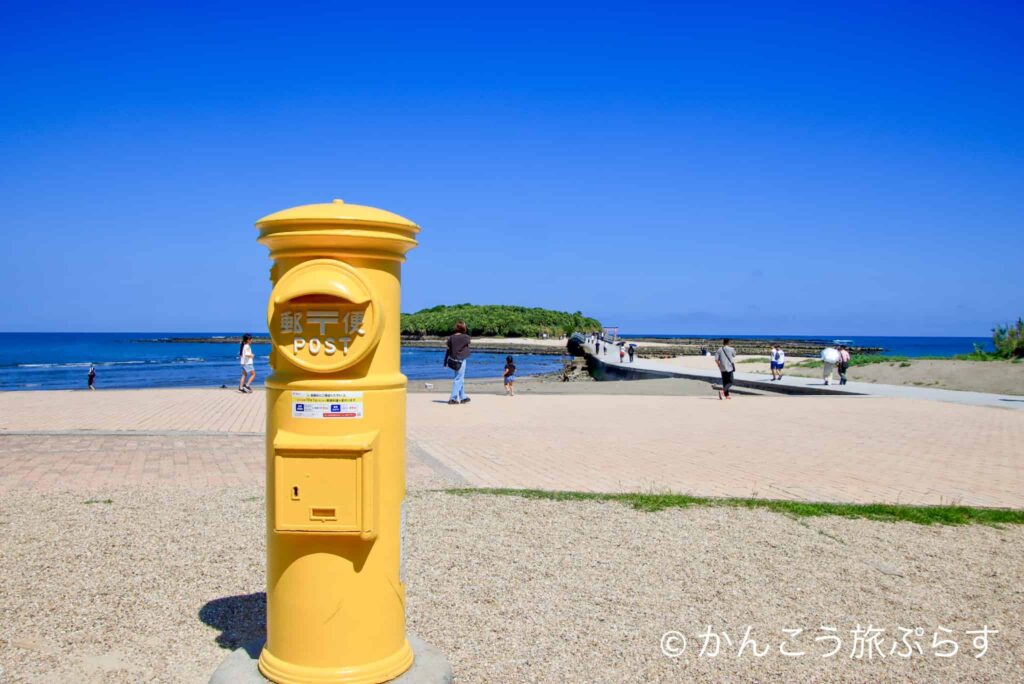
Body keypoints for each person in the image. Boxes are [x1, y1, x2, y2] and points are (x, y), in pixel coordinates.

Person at [444, 321, 471, 405]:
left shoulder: (451, 337)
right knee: (458, 379)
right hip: (461, 360)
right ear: (463, 328)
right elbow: (468, 342)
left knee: (460, 379)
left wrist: (445, 362)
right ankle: (453, 398)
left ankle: (463, 397)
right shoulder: (466, 337)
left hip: (453, 360)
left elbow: (448, 349)